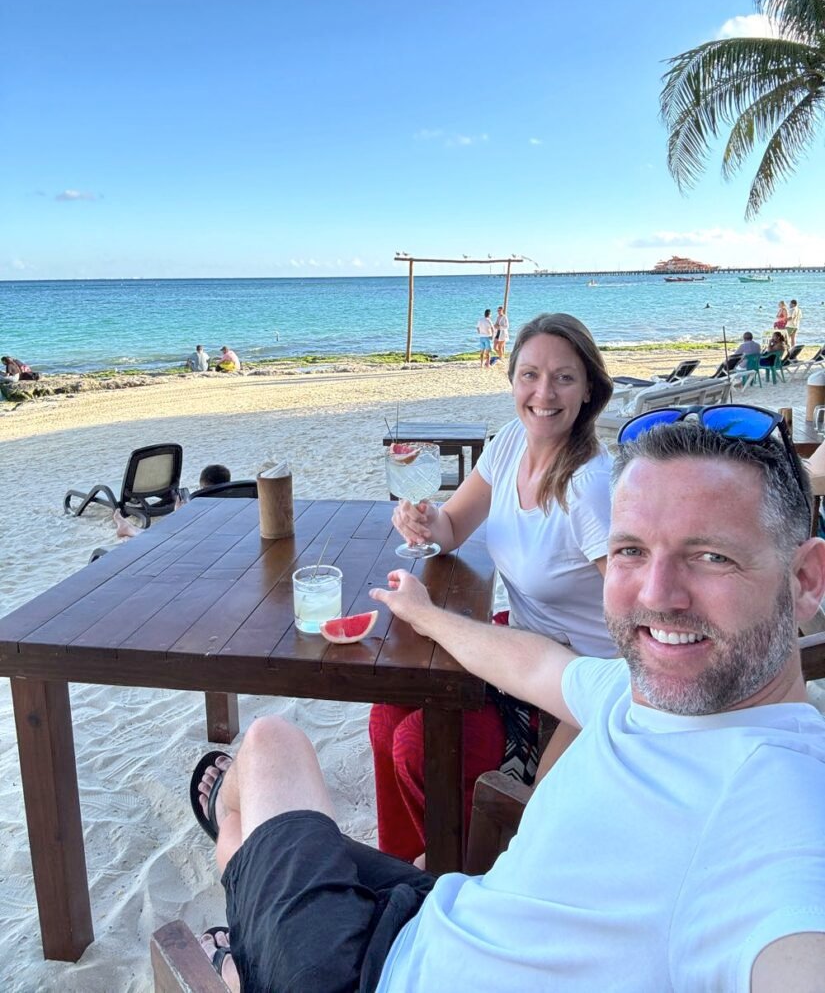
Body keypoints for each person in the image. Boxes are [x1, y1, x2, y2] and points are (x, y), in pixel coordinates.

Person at [189, 413, 825, 991]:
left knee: (271, 743)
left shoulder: (776, 802)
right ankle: (248, 928)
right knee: (279, 822)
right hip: (445, 910)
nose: (658, 594)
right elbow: (543, 664)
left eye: (711, 556)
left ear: (805, 581)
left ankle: (243, 950)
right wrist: (428, 616)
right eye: (631, 550)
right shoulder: (654, 698)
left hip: (364, 977)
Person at [370, 313, 615, 861]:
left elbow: (635, 622)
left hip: (575, 680)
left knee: (419, 747)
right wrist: (420, 520)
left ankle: (461, 867)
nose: (543, 393)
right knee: (389, 704)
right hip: (519, 648)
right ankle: (405, 864)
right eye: (529, 375)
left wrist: (576, 734)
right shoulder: (510, 443)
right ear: (512, 381)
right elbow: (452, 528)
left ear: (588, 391)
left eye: (563, 378)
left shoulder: (589, 487)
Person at [113, 464, 232, 537]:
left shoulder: (201, 503)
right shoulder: (235, 499)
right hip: (224, 536)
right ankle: (128, 529)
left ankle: (128, 529)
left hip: (199, 539)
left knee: (161, 537)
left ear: (202, 486)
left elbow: (187, 529)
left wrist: (179, 513)